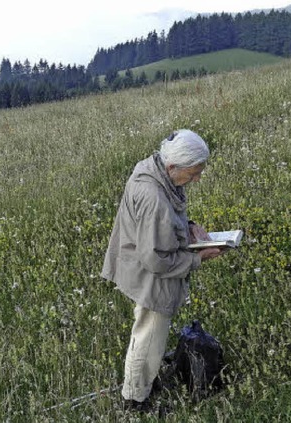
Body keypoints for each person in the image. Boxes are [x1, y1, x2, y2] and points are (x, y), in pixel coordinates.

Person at [101, 129, 223, 411]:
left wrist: (190, 226)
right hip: (151, 278)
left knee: (148, 333)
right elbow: (156, 260)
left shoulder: (154, 169)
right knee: (149, 336)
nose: (197, 179)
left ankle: (145, 380)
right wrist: (198, 258)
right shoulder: (153, 197)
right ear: (172, 166)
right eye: (193, 174)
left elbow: (167, 222)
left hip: (143, 267)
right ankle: (135, 401)